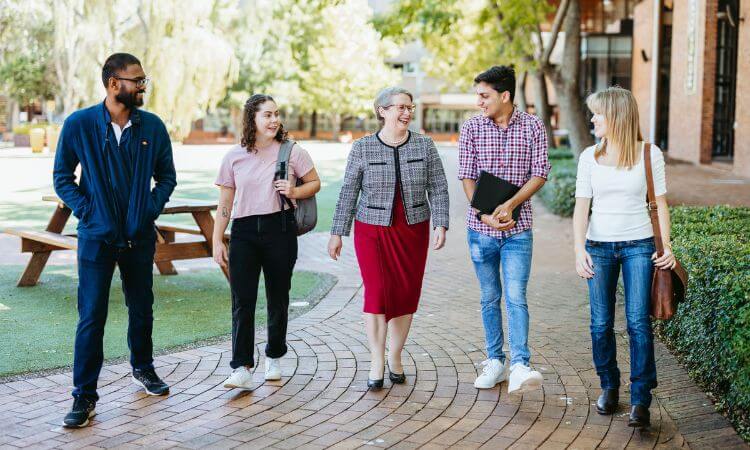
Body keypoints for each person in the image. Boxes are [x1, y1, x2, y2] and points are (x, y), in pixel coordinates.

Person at [54, 53, 177, 428]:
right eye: (136, 80)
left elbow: (167, 177)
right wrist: (88, 212)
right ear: (113, 84)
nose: (142, 86)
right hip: (96, 239)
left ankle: (143, 368)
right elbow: (62, 177)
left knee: (142, 308)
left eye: (143, 80)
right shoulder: (79, 124)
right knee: (92, 316)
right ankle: (84, 396)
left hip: (139, 238)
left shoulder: (152, 128)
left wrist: (148, 211)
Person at [328, 87, 449, 389]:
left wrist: (441, 223)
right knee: (378, 293)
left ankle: (395, 355)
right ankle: (376, 359)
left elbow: (438, 186)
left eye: (410, 107)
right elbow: (348, 191)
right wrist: (337, 233)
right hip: (372, 229)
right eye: (400, 107)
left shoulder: (425, 146)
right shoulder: (363, 148)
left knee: (406, 293)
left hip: (413, 228)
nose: (407, 113)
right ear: (382, 110)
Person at [573, 86, 674, 428]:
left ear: (615, 116)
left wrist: (667, 247)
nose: (592, 118)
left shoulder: (649, 153)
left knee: (637, 323)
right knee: (600, 324)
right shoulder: (590, 156)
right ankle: (609, 385)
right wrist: (578, 250)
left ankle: (641, 398)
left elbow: (660, 203)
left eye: (597, 113)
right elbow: (580, 208)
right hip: (599, 247)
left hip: (639, 245)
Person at [214, 94, 320, 390]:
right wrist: (216, 240)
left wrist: (295, 192)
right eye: (267, 115)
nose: (274, 120)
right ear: (252, 120)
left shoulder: (291, 152)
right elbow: (225, 202)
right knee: (242, 301)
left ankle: (273, 357)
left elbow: (314, 182)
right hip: (244, 232)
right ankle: (242, 368)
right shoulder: (234, 156)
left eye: (276, 114)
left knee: (278, 297)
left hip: (280, 230)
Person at [457, 66, 550, 393]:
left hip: (518, 230)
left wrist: (510, 205)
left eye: (485, 95)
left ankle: (521, 365)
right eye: (478, 95)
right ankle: (495, 362)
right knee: (489, 297)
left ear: (505, 95)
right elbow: (467, 176)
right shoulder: (471, 127)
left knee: (515, 296)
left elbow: (540, 173)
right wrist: (485, 215)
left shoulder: (533, 125)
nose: (479, 102)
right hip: (480, 230)